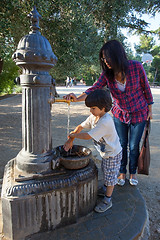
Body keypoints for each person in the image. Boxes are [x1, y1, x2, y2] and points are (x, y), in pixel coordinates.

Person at [64, 39, 153, 186]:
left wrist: (150, 110)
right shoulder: (107, 74)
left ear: (118, 55)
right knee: (122, 144)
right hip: (120, 113)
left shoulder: (136, 67)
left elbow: (146, 89)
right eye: (103, 59)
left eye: (108, 58)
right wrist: (77, 98)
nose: (106, 61)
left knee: (133, 145)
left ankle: (133, 172)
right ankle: (122, 173)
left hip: (139, 112)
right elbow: (94, 88)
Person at [63, 89, 122, 213]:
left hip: (113, 154)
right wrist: (71, 139)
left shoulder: (105, 121)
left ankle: (107, 200)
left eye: (93, 108)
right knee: (106, 171)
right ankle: (106, 187)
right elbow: (80, 127)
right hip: (106, 153)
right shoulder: (94, 116)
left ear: (103, 108)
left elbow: (87, 136)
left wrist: (73, 137)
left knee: (110, 176)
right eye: (90, 108)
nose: (90, 111)